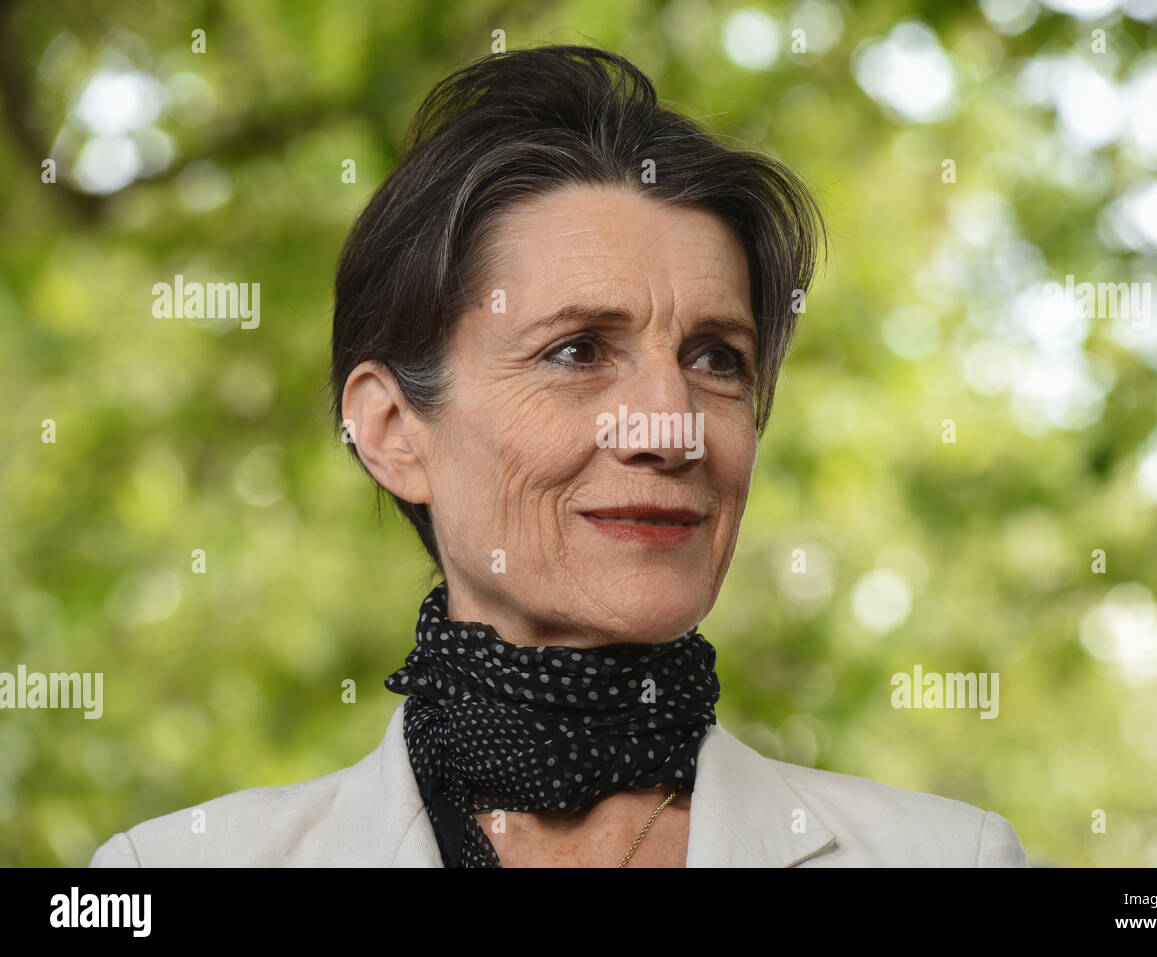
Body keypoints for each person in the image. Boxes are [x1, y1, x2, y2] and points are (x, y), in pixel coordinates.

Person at [90, 44, 1029, 868]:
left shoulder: (953, 857)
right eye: (577, 351)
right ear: (390, 431)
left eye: (715, 359)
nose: (671, 427)